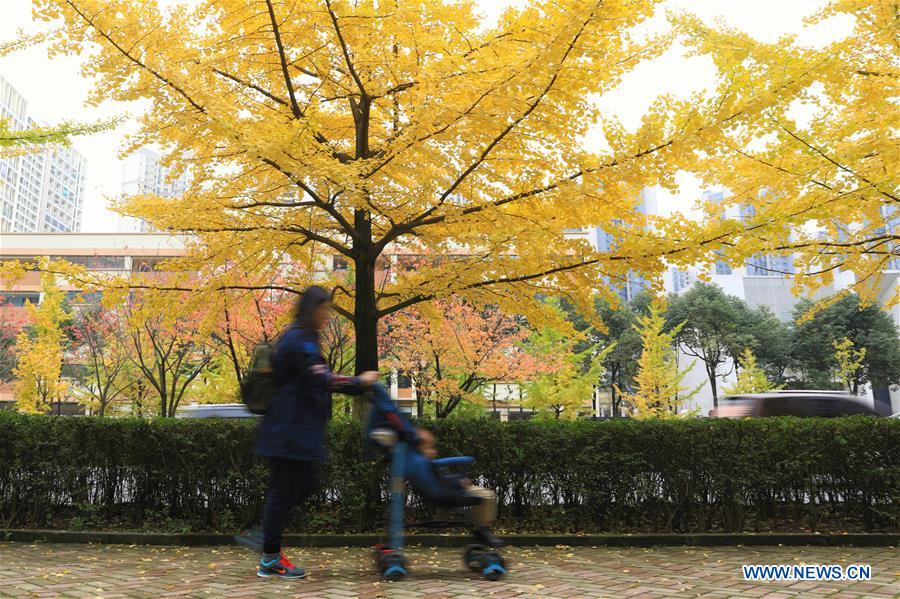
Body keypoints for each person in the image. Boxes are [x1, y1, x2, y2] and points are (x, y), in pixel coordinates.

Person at [252, 286, 378, 579]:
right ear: (311, 309)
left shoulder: (304, 338)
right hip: (288, 431)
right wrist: (360, 381)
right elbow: (321, 378)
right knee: (286, 491)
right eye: (324, 310)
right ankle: (269, 556)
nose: (327, 316)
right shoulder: (298, 340)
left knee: (299, 486)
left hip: (293, 430)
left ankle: (268, 539)